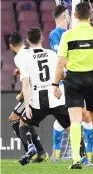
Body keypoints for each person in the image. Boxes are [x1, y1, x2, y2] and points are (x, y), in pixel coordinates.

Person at [52, 2, 93, 169]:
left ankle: (75, 160)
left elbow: (60, 62)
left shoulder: (67, 35)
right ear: (91, 16)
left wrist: (55, 84)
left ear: (75, 15)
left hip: (73, 80)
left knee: (75, 121)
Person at [17, 28, 71, 166]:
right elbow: (64, 74)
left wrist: (27, 106)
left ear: (28, 41)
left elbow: (26, 84)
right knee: (71, 127)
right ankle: (82, 155)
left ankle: (30, 147)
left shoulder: (25, 58)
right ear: (42, 38)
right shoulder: (52, 54)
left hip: (38, 100)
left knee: (23, 124)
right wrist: (57, 85)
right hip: (56, 95)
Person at [49, 5, 93, 166]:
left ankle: (86, 154)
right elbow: (60, 60)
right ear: (66, 17)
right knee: (76, 116)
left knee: (78, 116)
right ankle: (66, 153)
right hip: (67, 80)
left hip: (76, 79)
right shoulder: (56, 34)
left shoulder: (71, 33)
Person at [8, 32, 48, 164]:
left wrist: (21, 95)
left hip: (33, 94)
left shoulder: (18, 57)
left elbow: (28, 80)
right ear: (23, 42)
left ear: (11, 46)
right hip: (42, 90)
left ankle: (29, 152)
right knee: (25, 122)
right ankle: (40, 152)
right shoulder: (29, 51)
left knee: (14, 118)